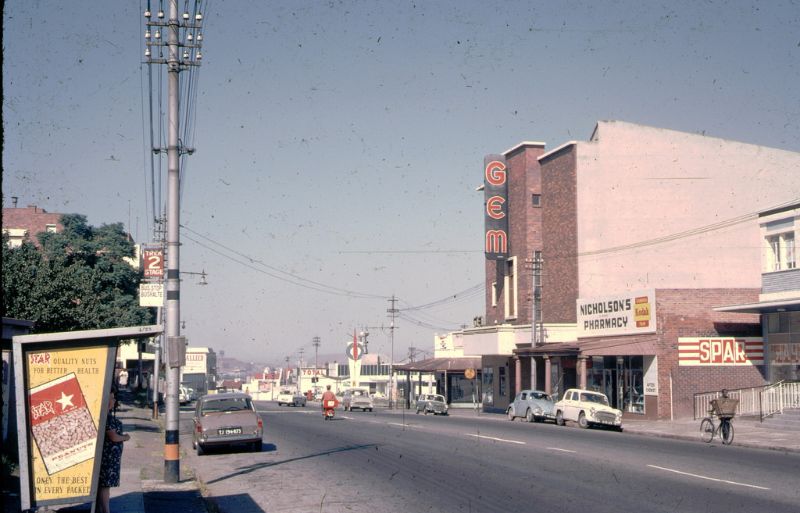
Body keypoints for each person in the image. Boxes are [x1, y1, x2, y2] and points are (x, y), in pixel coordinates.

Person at [96, 388, 130, 513]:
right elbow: (113, 437)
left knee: (105, 486)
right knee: (105, 485)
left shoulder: (108, 416)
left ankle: (102, 508)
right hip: (107, 458)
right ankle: (106, 510)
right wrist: (125, 437)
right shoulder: (107, 418)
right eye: (111, 398)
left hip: (111, 458)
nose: (114, 400)